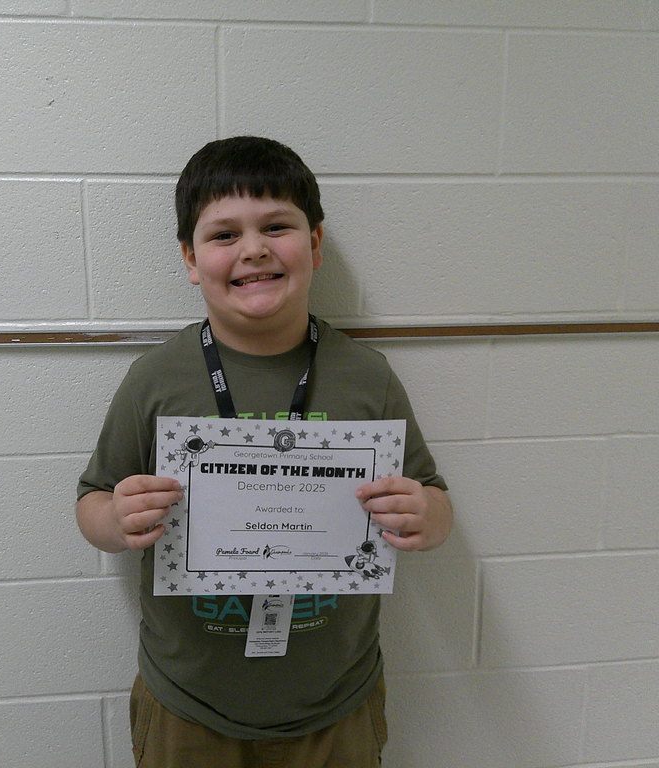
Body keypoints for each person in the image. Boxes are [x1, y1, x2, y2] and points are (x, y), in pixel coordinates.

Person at [76, 136, 452, 767]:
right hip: (189, 704)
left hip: (334, 703)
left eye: (276, 226)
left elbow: (434, 498)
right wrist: (115, 519)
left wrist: (426, 517)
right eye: (224, 235)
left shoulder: (367, 377)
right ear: (191, 259)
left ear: (315, 244)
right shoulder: (156, 379)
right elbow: (92, 500)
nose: (253, 249)